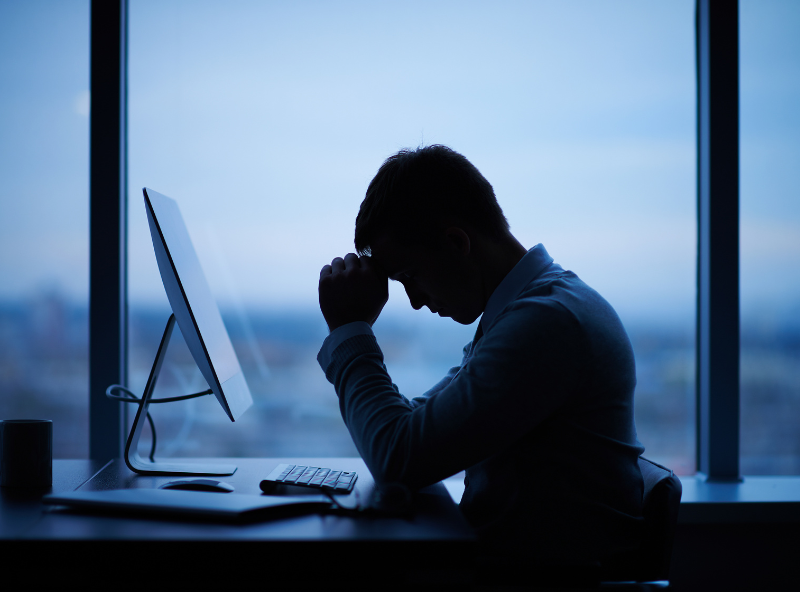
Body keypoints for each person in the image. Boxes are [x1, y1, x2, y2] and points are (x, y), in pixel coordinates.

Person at [317, 144, 645, 571]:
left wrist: (349, 329)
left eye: (410, 276)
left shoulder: (547, 325)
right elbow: (418, 429)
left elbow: (399, 457)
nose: (414, 301)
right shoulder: (529, 311)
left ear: (457, 242)